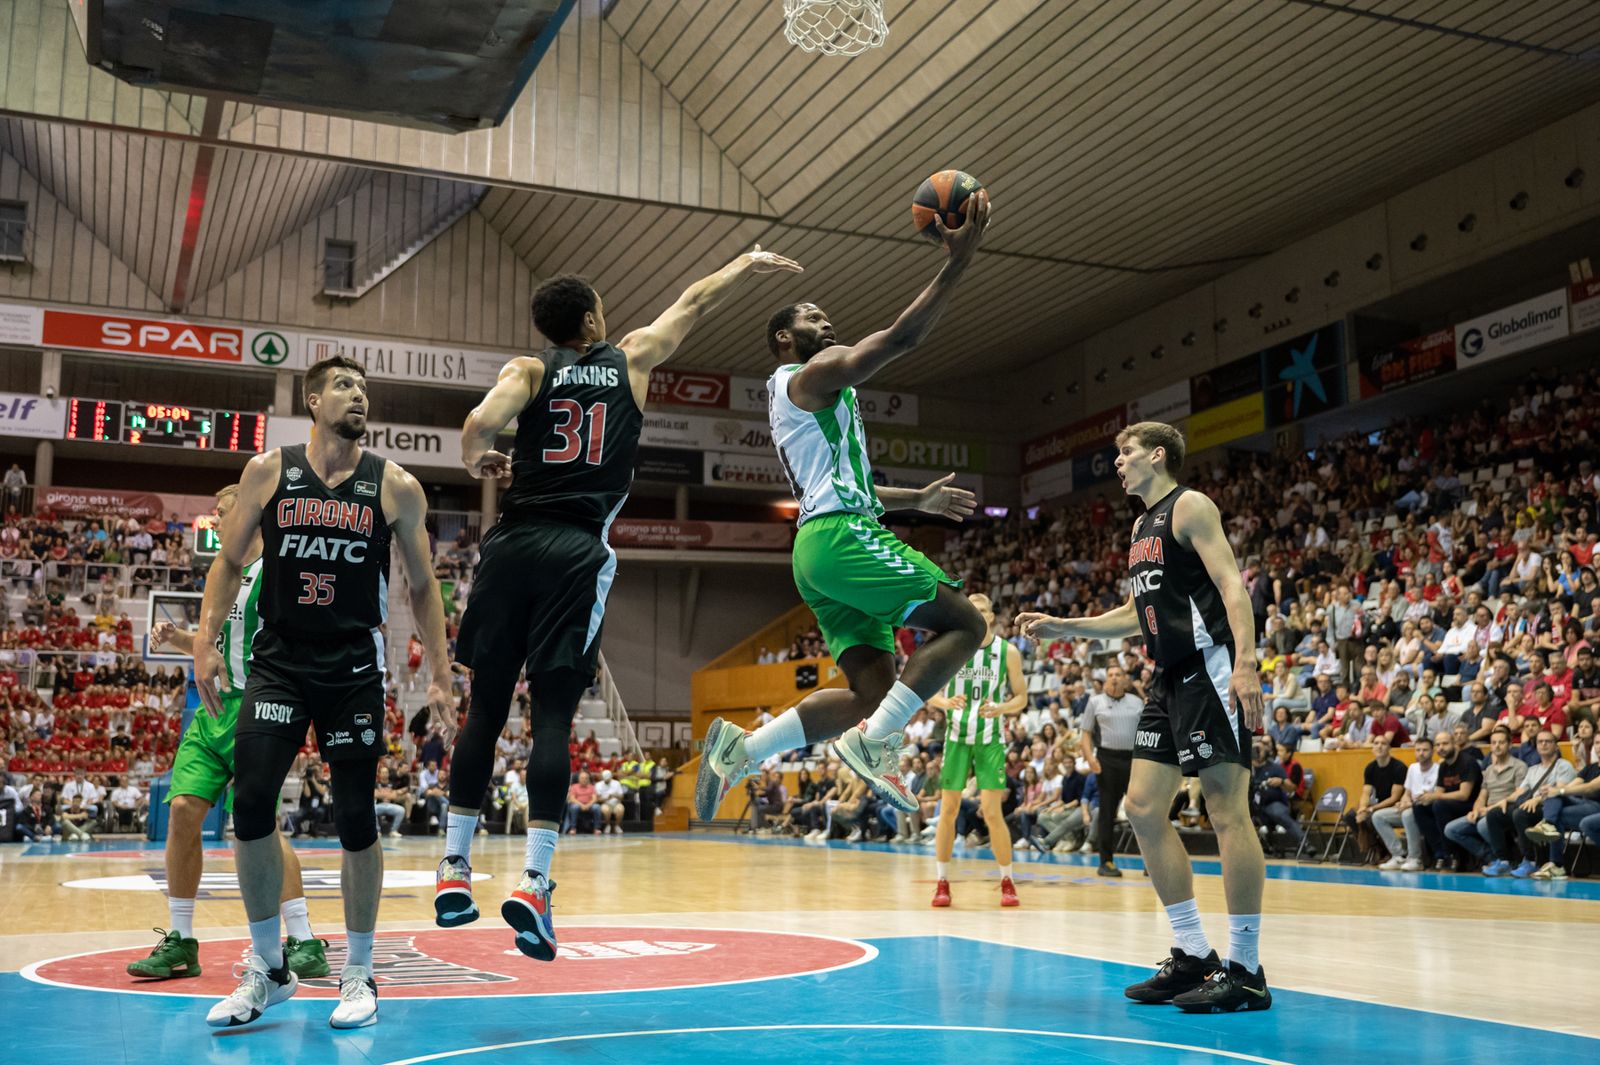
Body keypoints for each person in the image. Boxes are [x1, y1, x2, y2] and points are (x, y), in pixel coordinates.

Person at [437, 248, 801, 961]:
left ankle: (454, 865)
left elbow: (478, 426)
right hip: (577, 551)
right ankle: (534, 880)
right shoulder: (630, 358)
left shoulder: (528, 370)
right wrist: (743, 263)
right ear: (592, 320)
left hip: (512, 546)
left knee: (485, 710)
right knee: (553, 718)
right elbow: (693, 301)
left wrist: (478, 459)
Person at [697, 192, 994, 824]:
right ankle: (875, 742)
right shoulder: (815, 373)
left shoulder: (795, 398)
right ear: (784, 338)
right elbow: (901, 338)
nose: (826, 325)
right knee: (967, 625)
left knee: (871, 694)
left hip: (817, 550)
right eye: (813, 317)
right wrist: (958, 261)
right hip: (841, 539)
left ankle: (743, 750)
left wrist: (916, 499)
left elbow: (844, 484)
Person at [193, 355, 455, 1029]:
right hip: (279, 658)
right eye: (343, 385)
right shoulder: (267, 471)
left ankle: (360, 972)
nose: (358, 395)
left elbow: (424, 587)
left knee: (356, 816)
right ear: (312, 400)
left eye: (364, 388)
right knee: (251, 802)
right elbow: (228, 561)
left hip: (351, 664)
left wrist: (441, 673)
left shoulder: (395, 486)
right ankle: (268, 967)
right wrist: (204, 640)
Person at [1018, 420, 1272, 1012]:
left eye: (1125, 451)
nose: (1117, 461)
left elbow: (1231, 585)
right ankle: (1193, 955)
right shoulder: (1140, 528)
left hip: (1210, 665)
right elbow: (1138, 612)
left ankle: (1246, 970)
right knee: (1141, 807)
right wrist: (1066, 626)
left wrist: (1246, 662)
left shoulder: (1191, 506)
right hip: (1167, 676)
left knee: (1226, 811)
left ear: (1157, 455)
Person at [126, 484, 327, 984]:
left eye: (221, 511)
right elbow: (214, 647)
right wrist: (179, 638)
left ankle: (304, 939)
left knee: (260, 825)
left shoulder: (278, 571)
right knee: (181, 810)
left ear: (251, 513)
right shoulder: (222, 572)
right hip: (213, 709)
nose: (213, 520)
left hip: (260, 706)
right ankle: (180, 941)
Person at [922, 593, 1025, 906]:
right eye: (972, 610)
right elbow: (927, 690)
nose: (977, 614)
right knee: (948, 811)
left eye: (982, 610)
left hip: (990, 738)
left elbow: (1021, 698)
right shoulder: (952, 647)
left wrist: (1001, 708)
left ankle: (1007, 882)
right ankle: (942, 883)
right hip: (956, 737)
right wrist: (944, 702)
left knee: (992, 812)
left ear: (991, 616)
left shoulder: (1007, 652)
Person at [1078, 663, 1143, 877]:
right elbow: (1085, 733)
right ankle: (1106, 862)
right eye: (1110, 675)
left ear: (1125, 679)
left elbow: (1145, 732)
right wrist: (1090, 758)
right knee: (1107, 813)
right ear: (1106, 680)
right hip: (1106, 760)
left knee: (1141, 812)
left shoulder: (1136, 702)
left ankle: (1151, 863)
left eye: (1118, 674)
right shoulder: (1095, 702)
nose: (1114, 678)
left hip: (1133, 760)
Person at [1445, 726, 1531, 875]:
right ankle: (1492, 857)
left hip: (1505, 811)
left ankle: (1507, 859)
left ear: (1510, 745)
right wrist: (1476, 810)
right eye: (1493, 743)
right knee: (1451, 829)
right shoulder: (1489, 769)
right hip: (1486, 811)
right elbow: (1482, 795)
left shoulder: (1519, 766)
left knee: (1483, 825)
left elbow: (1519, 795)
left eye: (1501, 742)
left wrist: (1489, 810)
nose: (1497, 746)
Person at [1374, 737, 1440, 871]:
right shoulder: (1412, 768)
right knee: (1378, 816)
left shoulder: (1438, 769)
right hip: (1409, 807)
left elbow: (1433, 797)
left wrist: (1410, 804)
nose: (1421, 753)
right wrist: (1404, 801)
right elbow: (1407, 792)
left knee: (1407, 814)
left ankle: (1415, 859)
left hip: (1425, 810)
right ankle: (1399, 855)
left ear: (1432, 751)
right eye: (1418, 750)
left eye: (1425, 750)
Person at [1342, 732, 1407, 861]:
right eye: (1376, 743)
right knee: (1350, 816)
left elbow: (1394, 798)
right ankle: (1378, 847)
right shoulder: (1370, 768)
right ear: (1372, 748)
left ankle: (1389, 851)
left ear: (1389, 748)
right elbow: (1366, 792)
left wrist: (1372, 809)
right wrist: (1362, 808)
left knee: (1370, 817)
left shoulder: (1399, 767)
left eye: (1383, 743)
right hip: (1377, 805)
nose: (1379, 746)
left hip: (1395, 806)